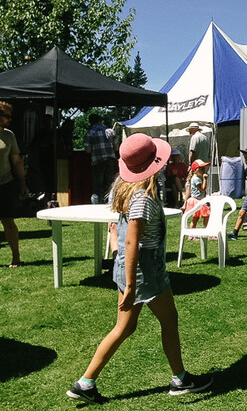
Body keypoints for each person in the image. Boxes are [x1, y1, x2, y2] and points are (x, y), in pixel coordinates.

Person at [66, 133, 212, 404]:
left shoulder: (124, 187)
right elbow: (133, 240)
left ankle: (85, 383)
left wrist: (117, 255)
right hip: (145, 270)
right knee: (168, 320)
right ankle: (180, 379)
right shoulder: (142, 197)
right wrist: (132, 285)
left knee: (125, 327)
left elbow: (118, 231)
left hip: (132, 267)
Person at [0, 102, 29, 267]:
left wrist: (23, 184)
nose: (10, 119)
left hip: (5, 183)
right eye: (6, 116)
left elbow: (17, 161)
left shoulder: (9, 135)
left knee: (8, 222)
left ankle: (16, 258)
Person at [84, 113, 117, 204]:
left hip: (97, 162)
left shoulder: (90, 132)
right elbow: (116, 148)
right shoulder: (110, 131)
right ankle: (110, 204)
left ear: (90, 122)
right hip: (110, 161)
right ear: (100, 120)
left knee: (97, 186)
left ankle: (96, 205)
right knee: (109, 185)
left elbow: (87, 150)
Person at [184, 159, 210, 231]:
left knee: (196, 218)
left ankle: (192, 234)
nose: (203, 170)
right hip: (197, 201)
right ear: (195, 170)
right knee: (206, 216)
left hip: (195, 200)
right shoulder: (197, 179)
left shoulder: (194, 178)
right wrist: (205, 179)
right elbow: (203, 189)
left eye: (204, 168)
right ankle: (207, 229)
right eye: (201, 168)